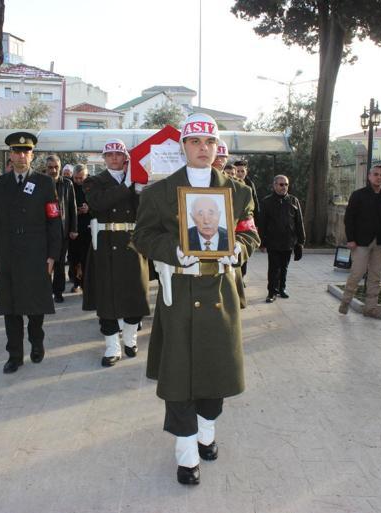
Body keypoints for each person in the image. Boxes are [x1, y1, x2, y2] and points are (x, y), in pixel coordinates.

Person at [133, 113, 260, 486]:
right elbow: (142, 237)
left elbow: (250, 232)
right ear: (183, 145)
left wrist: (238, 248)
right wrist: (173, 251)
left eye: (209, 143)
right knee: (180, 375)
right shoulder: (159, 193)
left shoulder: (239, 192)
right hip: (181, 293)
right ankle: (187, 456)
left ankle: (207, 435)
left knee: (215, 372)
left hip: (221, 290)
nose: (203, 149)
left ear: (217, 147)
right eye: (194, 142)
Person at [0, 132, 62, 374]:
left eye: (25, 151)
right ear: (10, 155)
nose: (21, 156)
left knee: (35, 306)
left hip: (36, 254)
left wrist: (53, 255)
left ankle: (36, 341)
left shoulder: (44, 183)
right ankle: (14, 355)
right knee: (10, 307)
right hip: (7, 254)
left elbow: (53, 220)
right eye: (16, 151)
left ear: (32, 154)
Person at [82, 139, 150, 367]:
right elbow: (99, 203)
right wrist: (127, 185)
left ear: (125, 158)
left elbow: (147, 214)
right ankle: (112, 346)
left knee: (135, 295)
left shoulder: (137, 181)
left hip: (132, 244)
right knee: (107, 300)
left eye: (118, 154)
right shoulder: (94, 181)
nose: (113, 158)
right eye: (109, 154)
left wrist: (140, 192)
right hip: (106, 245)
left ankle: (130, 339)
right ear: (104, 158)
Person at [338, 165, 381, 319]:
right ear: (369, 176)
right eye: (376, 174)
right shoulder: (358, 195)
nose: (379, 177)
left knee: (375, 276)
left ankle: (370, 308)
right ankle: (345, 302)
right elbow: (349, 219)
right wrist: (351, 239)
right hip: (361, 242)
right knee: (357, 273)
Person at [259, 174, 305, 303]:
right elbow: (262, 224)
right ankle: (271, 292)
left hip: (288, 241)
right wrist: (262, 242)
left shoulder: (293, 200)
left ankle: (282, 288)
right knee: (274, 268)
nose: (284, 187)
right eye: (281, 184)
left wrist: (300, 242)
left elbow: (299, 222)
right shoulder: (266, 202)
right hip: (273, 242)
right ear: (274, 186)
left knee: (284, 267)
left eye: (286, 184)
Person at [45, 155, 78, 303]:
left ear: (60, 166)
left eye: (56, 167)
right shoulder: (40, 183)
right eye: (50, 167)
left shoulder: (67, 184)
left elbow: (72, 207)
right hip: (43, 231)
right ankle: (44, 291)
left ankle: (58, 292)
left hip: (62, 230)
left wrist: (73, 228)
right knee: (45, 263)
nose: (53, 170)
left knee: (59, 263)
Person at [68, 164, 91, 293]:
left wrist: (89, 208)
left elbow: (98, 203)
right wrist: (74, 211)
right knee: (73, 258)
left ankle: (85, 283)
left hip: (88, 228)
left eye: (81, 178)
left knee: (86, 258)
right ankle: (75, 282)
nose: (78, 181)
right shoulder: (69, 185)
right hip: (73, 228)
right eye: (76, 178)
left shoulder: (92, 185)